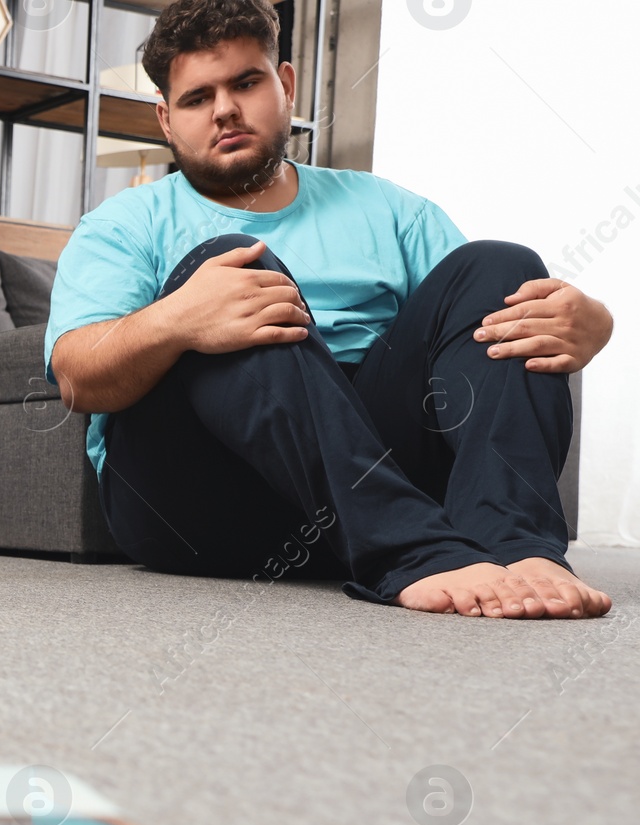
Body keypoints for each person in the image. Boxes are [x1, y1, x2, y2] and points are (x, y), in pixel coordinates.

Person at [47, 0, 614, 617]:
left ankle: (516, 545)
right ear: (165, 119)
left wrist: (594, 323)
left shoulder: (388, 209)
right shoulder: (124, 224)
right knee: (233, 265)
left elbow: (481, 322)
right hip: (205, 500)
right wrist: (181, 319)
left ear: (284, 83)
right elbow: (77, 375)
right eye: (196, 98)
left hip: (373, 467)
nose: (225, 110)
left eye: (245, 82)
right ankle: (413, 551)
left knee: (501, 263)